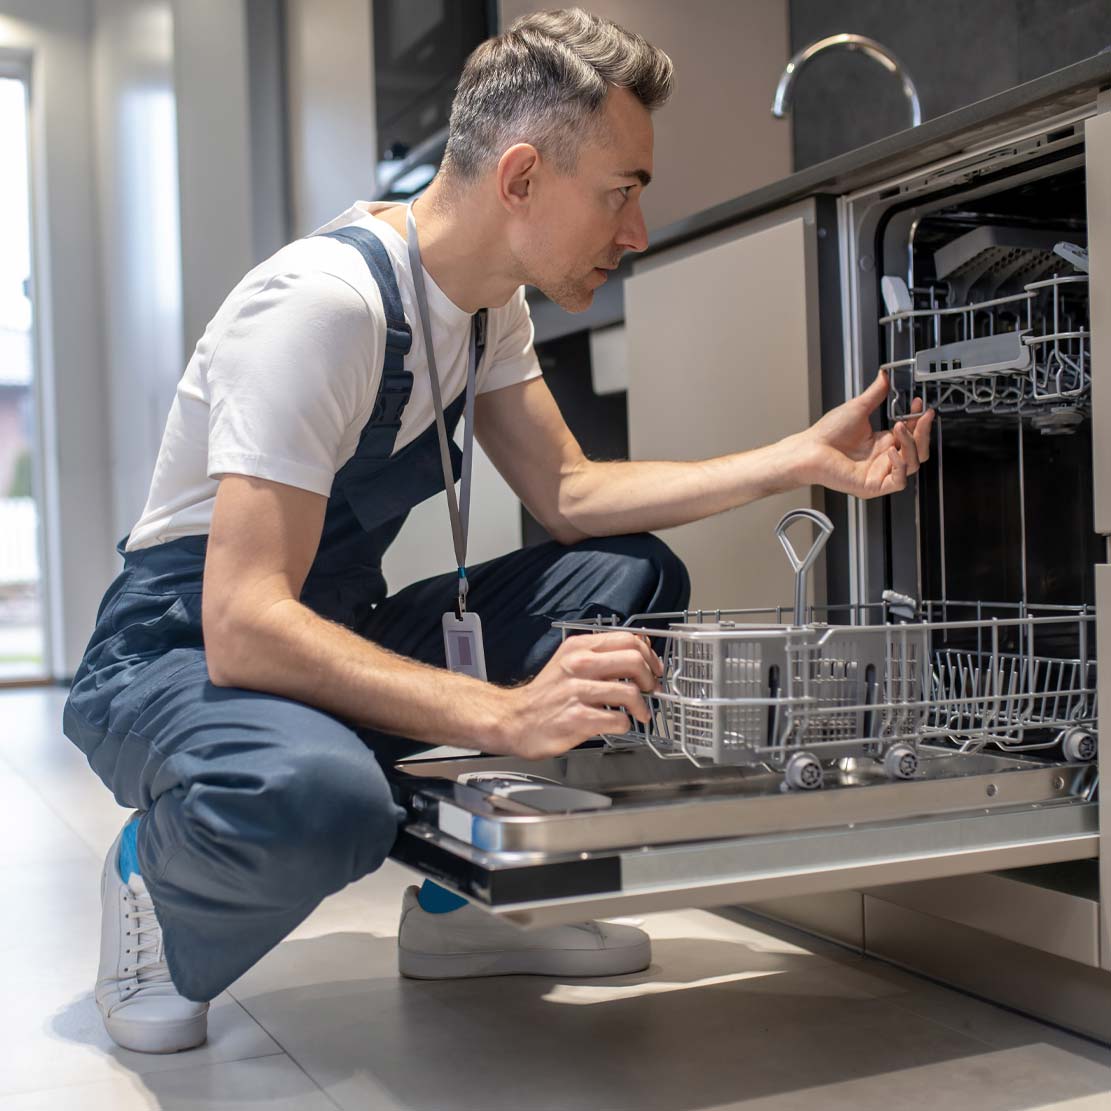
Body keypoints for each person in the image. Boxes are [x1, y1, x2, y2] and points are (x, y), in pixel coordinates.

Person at [64, 7, 933, 1055]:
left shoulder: (486, 306)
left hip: (329, 625)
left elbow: (568, 492)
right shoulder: (319, 307)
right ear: (521, 178)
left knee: (624, 578)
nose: (635, 233)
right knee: (324, 799)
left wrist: (797, 457)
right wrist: (501, 713)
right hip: (179, 655)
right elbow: (245, 623)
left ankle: (454, 916)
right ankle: (156, 882)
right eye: (619, 195)